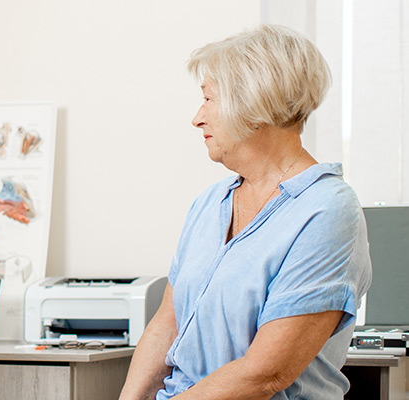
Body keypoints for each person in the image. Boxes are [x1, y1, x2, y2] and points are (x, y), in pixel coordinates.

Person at [119, 25, 372, 399]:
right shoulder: (210, 204)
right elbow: (167, 324)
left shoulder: (326, 211)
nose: (197, 118)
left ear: (254, 104)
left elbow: (265, 374)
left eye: (209, 99)